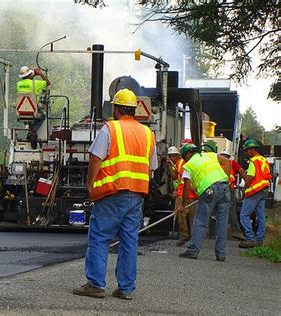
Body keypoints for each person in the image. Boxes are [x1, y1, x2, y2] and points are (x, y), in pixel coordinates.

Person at [72, 88, 157, 300]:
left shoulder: (111, 128)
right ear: (134, 110)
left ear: (116, 109)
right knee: (129, 240)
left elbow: (95, 158)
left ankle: (96, 284)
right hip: (137, 194)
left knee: (100, 237)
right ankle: (126, 288)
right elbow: (151, 168)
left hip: (112, 191)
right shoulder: (148, 134)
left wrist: (90, 184)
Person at [178, 144, 231, 261]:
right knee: (222, 221)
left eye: (184, 157)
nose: (184, 160)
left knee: (200, 220)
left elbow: (186, 187)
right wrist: (226, 180)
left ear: (187, 154)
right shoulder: (210, 155)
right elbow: (227, 161)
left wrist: (183, 205)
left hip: (209, 190)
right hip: (224, 187)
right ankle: (221, 254)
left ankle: (193, 250)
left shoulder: (189, 165)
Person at [238, 139, 272, 248]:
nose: (247, 153)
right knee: (261, 216)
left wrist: (244, 190)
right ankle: (259, 239)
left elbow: (250, 177)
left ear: (253, 150)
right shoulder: (264, 160)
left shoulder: (253, 161)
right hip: (263, 190)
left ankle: (250, 238)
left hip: (254, 191)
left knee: (244, 215)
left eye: (247, 150)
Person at [166, 146, 198, 246]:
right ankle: (188, 237)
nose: (171, 158)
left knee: (184, 216)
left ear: (178, 156)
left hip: (188, 194)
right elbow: (175, 176)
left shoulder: (181, 163)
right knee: (184, 217)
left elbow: (186, 180)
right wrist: (170, 166)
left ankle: (188, 236)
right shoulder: (177, 164)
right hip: (184, 193)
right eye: (170, 156)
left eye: (172, 156)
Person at [16, 65, 50, 149]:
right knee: (42, 116)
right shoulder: (35, 83)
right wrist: (40, 73)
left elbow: (27, 83)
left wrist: (32, 75)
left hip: (21, 112)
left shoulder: (18, 84)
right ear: (29, 74)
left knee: (29, 118)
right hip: (34, 111)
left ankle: (30, 131)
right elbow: (48, 83)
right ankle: (32, 131)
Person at [219, 149, 246, 240]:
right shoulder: (231, 163)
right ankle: (236, 231)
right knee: (231, 210)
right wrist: (247, 184)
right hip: (228, 188)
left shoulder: (216, 163)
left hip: (216, 188)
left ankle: (212, 233)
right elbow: (242, 172)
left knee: (214, 210)